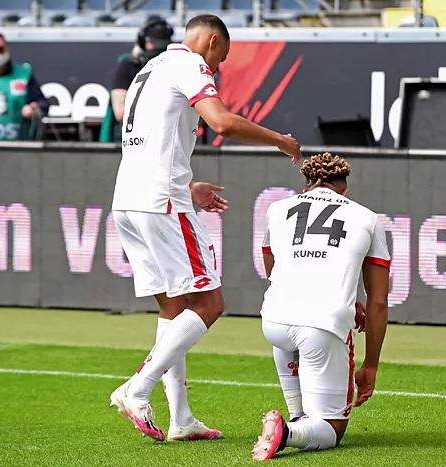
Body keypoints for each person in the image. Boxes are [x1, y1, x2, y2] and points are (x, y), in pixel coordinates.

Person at [108, 14, 302, 442]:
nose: (218, 67)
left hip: (128, 200)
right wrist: (279, 140)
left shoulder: (149, 68)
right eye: (222, 58)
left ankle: (180, 419)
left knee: (173, 307)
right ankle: (137, 388)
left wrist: (188, 184)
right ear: (212, 41)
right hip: (161, 203)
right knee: (210, 303)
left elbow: (152, 143)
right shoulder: (191, 64)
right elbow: (222, 122)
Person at [252, 152, 390, 461]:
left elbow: (272, 269)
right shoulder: (367, 217)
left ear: (307, 185)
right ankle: (287, 432)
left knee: (291, 326)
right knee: (333, 429)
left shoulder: (277, 210)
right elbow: (378, 301)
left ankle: (296, 417)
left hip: (274, 320)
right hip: (323, 324)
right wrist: (371, 365)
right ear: (344, 189)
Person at [99, 18, 174, 143]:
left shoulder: (174, 65)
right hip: (136, 139)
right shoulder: (130, 65)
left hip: (168, 137)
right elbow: (120, 112)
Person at [0, 32, 49, 141]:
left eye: (0, 49)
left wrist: (33, 108)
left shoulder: (23, 75)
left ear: (7, 50)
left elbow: (42, 103)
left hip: (18, 144)